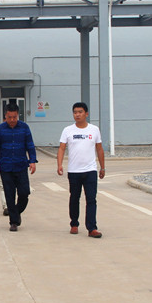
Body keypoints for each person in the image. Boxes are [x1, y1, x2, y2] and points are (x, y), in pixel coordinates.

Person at [56, 102, 106, 238]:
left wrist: (102, 167)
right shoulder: (68, 130)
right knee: (74, 198)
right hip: (74, 171)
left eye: (80, 112)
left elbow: (99, 149)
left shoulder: (94, 130)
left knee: (91, 199)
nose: (77, 114)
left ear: (86, 114)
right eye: (75, 112)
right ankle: (74, 224)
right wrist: (59, 164)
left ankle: (92, 228)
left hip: (90, 170)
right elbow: (61, 148)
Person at [0, 103, 37, 232]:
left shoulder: (24, 128)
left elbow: (30, 145)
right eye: (9, 117)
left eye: (14, 117)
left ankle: (15, 211)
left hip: (21, 166)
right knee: (9, 195)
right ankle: (14, 222)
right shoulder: (0, 129)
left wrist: (32, 161)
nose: (12, 120)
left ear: (18, 115)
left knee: (24, 193)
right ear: (5, 116)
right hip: (6, 167)